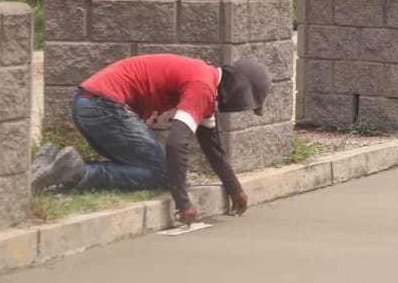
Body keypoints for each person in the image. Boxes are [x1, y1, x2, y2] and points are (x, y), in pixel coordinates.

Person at [30, 54, 271, 224]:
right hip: (104, 106)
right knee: (162, 173)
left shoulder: (205, 83)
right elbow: (178, 143)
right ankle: (76, 171)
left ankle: (53, 163)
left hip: (88, 102)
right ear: (239, 89)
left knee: (146, 167)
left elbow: (213, 149)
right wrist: (183, 203)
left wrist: (234, 189)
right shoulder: (202, 86)